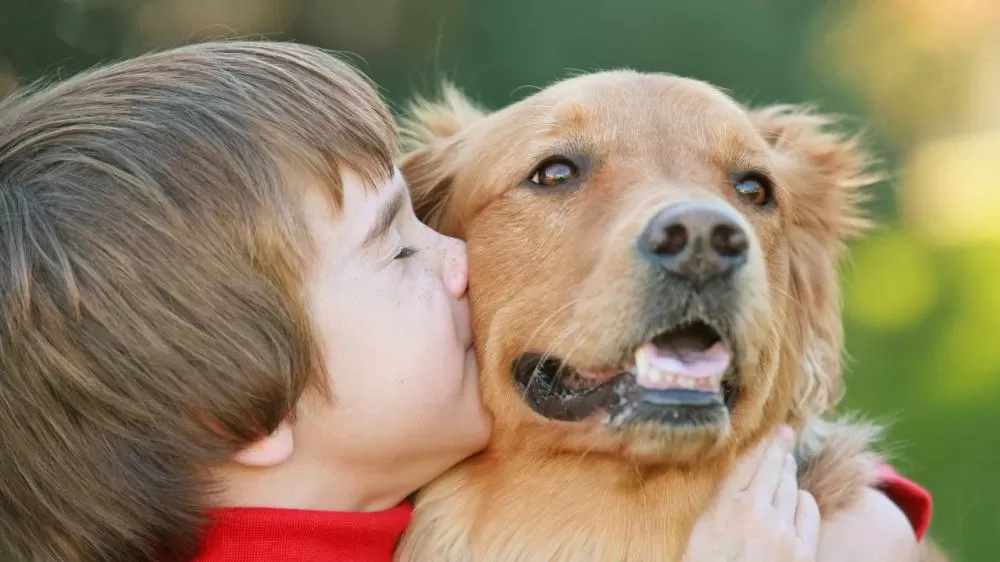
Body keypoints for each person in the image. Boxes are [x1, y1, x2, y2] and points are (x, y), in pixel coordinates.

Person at [0, 40, 929, 562]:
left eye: (750, 196)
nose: (702, 228)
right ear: (247, 398)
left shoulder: (366, 477)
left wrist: (863, 512)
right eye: (400, 244)